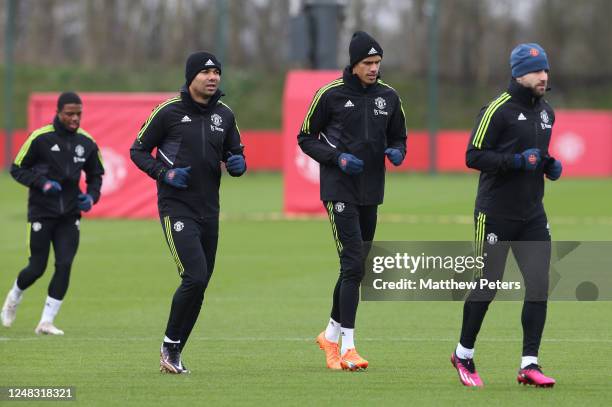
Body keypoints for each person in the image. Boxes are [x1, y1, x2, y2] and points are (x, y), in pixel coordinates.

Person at [451, 43, 562, 388]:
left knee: (540, 284)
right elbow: (473, 155)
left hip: (532, 214)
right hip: (495, 213)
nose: (543, 76)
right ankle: (463, 354)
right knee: (488, 284)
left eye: (545, 70)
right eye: (536, 71)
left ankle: (529, 364)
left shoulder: (547, 113)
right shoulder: (496, 110)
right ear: (518, 74)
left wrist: (548, 164)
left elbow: (536, 155)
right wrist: (516, 162)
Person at [130, 51, 246, 374]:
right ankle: (169, 345)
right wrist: (163, 174)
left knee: (201, 283)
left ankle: (176, 351)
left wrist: (238, 163)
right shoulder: (168, 112)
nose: (213, 78)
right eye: (206, 72)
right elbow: (137, 150)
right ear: (191, 77)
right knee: (193, 276)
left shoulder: (225, 114)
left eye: (217, 73)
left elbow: (235, 152)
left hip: (210, 210)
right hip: (176, 208)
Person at [298, 31, 407, 371]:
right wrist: (337, 159)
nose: (374, 69)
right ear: (354, 64)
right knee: (353, 264)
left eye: (377, 63)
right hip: (339, 190)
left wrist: (398, 151)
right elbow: (305, 137)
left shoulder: (388, 97)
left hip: (371, 191)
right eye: (367, 63)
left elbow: (399, 135)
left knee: (356, 268)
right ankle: (347, 347)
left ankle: (329, 334)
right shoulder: (330, 94)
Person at [1, 92, 104, 335]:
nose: (75, 118)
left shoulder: (87, 142)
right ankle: (13, 298)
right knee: (37, 267)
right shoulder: (40, 138)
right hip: (42, 212)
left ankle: (46, 322)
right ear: (58, 112)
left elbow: (96, 176)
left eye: (79, 113)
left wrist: (91, 197)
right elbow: (17, 168)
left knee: (64, 264)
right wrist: (42, 183)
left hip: (70, 214)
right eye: (70, 113)